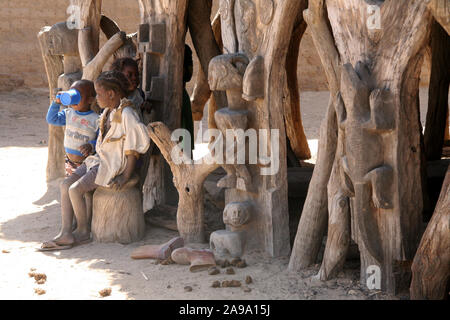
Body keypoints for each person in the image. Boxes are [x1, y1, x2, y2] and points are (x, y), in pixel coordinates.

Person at [39, 71, 150, 251]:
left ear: (111, 94)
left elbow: (133, 149)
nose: (96, 98)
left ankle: (83, 231)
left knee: (75, 190)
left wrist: (125, 176)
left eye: (98, 94)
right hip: (97, 160)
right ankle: (66, 231)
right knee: (65, 184)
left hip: (110, 165)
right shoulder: (108, 112)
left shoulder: (127, 114)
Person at [46, 80, 99, 176]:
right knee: (69, 185)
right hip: (69, 161)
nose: (73, 99)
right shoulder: (68, 113)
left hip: (86, 163)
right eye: (71, 94)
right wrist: (56, 103)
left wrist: (91, 145)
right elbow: (51, 119)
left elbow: (101, 140)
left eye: (78, 96)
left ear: (90, 100)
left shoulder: (96, 119)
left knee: (81, 187)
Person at [111, 57, 150, 122]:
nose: (134, 78)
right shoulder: (113, 97)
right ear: (118, 77)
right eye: (129, 75)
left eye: (137, 75)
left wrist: (144, 108)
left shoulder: (139, 94)